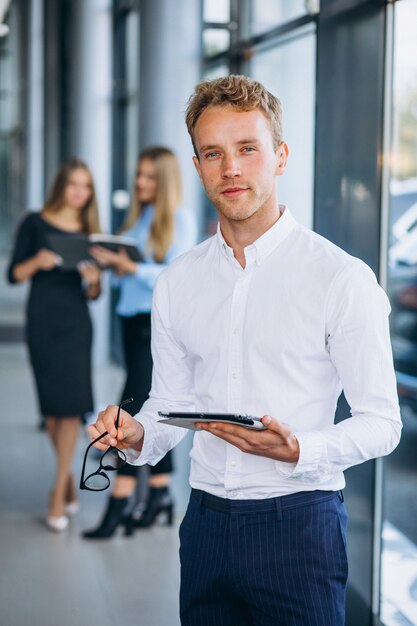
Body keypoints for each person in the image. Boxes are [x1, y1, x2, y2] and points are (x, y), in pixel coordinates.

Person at [87, 75, 402, 625]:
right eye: (214, 153)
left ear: (280, 157)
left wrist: (300, 448)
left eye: (247, 149)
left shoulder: (341, 278)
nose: (230, 167)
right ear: (197, 167)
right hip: (206, 523)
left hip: (299, 525)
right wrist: (137, 433)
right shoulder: (178, 282)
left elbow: (383, 422)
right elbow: (169, 404)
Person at [82, 146, 197, 539]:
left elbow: (177, 275)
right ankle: (161, 495)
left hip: (156, 326)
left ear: (164, 180)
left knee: (127, 412)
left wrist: (130, 266)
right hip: (131, 325)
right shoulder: (136, 220)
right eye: (139, 176)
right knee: (145, 405)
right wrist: (105, 271)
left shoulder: (180, 220)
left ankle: (119, 503)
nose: (141, 183)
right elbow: (123, 280)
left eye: (149, 177)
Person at [7, 158, 101, 533]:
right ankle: (66, 481)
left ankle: (58, 492)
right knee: (51, 412)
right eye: (74, 184)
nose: (80, 192)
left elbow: (94, 293)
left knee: (72, 408)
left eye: (86, 186)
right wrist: (38, 261)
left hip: (76, 325)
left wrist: (93, 280)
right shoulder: (34, 222)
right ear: (61, 185)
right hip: (43, 324)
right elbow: (13, 274)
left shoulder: (90, 231)